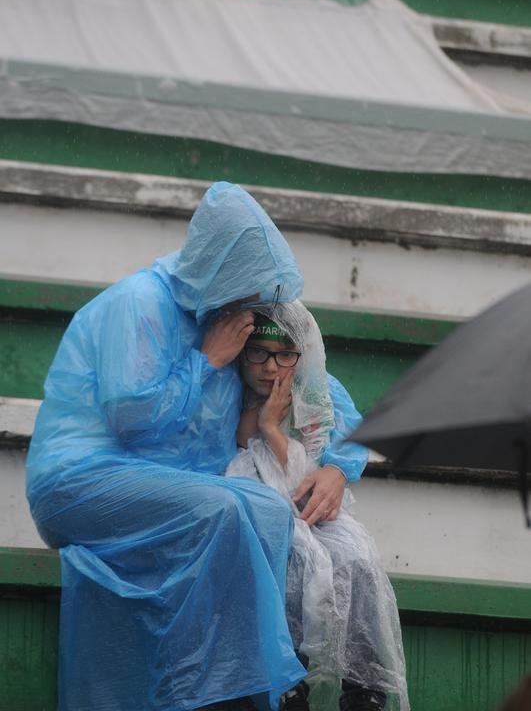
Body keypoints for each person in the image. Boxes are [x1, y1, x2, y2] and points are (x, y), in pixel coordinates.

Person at [25, 181, 359, 711]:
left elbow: (323, 390)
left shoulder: (231, 316)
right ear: (217, 268)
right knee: (223, 509)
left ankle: (262, 686)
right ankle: (227, 695)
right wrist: (208, 359)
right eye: (245, 287)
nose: (253, 303)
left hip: (182, 488)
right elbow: (131, 419)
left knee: (272, 511)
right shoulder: (140, 303)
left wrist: (341, 466)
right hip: (81, 481)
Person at [227, 303, 410, 711]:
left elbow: (314, 471)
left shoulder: (317, 392)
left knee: (354, 560)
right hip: (253, 521)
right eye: (258, 353)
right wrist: (265, 426)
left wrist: (332, 467)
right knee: (285, 568)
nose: (271, 368)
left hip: (309, 515)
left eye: (286, 355)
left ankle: (363, 688)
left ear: (304, 354)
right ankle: (287, 684)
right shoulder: (225, 394)